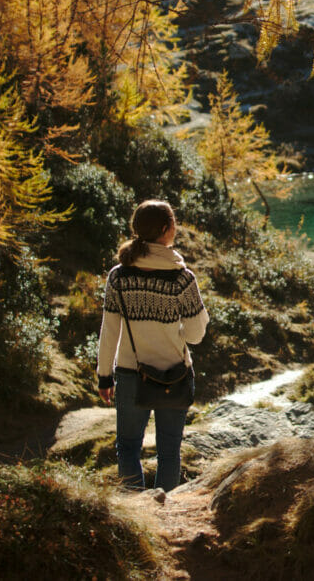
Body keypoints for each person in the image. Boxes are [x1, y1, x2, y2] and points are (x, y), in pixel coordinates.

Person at [97, 199, 209, 491]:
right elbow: (196, 334)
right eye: (173, 224)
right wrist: (173, 331)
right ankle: (164, 512)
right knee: (169, 452)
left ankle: (136, 511)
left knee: (128, 447)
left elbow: (109, 330)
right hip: (175, 374)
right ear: (165, 229)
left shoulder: (118, 276)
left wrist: (104, 376)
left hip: (130, 373)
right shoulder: (182, 278)